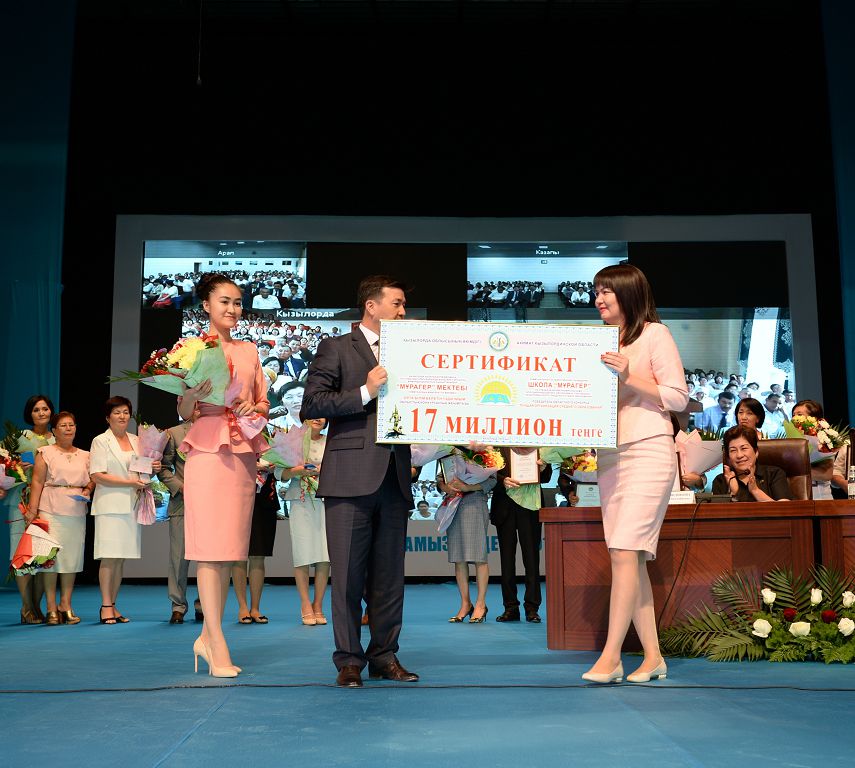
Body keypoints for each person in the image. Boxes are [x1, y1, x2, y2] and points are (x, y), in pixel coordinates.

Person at [301, 274, 416, 688]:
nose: (403, 312)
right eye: (397, 304)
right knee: (348, 577)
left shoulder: (411, 352)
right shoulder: (336, 347)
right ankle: (349, 660)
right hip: (349, 478)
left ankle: (384, 656)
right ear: (372, 305)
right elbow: (311, 403)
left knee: (389, 579)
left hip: (395, 476)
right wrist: (365, 391)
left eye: (403, 305)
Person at [582, 264, 688, 685]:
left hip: (649, 449)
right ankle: (653, 657)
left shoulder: (655, 335)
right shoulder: (602, 341)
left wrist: (630, 375)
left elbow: (678, 397)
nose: (598, 299)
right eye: (596, 292)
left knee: (626, 550)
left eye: (605, 291)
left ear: (627, 293)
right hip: (611, 456)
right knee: (628, 555)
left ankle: (611, 657)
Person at [178, 272, 270, 677]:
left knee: (230, 549)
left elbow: (264, 402)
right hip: (207, 450)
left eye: (237, 302)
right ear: (206, 305)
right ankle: (215, 639)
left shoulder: (249, 351)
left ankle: (208, 637)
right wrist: (192, 396)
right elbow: (183, 411)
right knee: (208, 548)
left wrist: (254, 408)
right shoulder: (191, 349)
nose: (233, 309)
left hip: (242, 454)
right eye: (224, 301)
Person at [90, 396, 160, 624]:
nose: (122, 416)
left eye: (125, 412)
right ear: (107, 417)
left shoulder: (136, 440)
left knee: (120, 559)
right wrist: (130, 483)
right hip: (109, 506)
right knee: (109, 557)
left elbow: (141, 470)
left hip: (131, 505)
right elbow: (97, 475)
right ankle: (105, 605)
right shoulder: (101, 441)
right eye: (117, 412)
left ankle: (113, 604)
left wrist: (153, 467)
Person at [25, 411, 93, 625]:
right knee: (50, 559)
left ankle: (66, 605)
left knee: (72, 559)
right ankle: (51, 607)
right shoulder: (45, 452)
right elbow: (37, 482)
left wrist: (88, 488)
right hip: (50, 509)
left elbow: (93, 479)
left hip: (76, 510)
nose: (68, 428)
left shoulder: (86, 455)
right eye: (63, 425)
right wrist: (32, 510)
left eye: (71, 424)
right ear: (54, 430)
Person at [4, 394, 55, 624]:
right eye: (36, 410)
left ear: (51, 411)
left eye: (45, 409)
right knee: (21, 554)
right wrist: (16, 469)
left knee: (42, 555)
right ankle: (26, 607)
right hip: (21, 503)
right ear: (30, 414)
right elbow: (4, 467)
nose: (41, 413)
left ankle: (36, 606)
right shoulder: (19, 437)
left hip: (48, 503)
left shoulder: (58, 439)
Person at [277, 418, 330, 626]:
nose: (318, 419)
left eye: (322, 415)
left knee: (325, 555)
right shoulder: (293, 441)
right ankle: (305, 603)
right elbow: (279, 473)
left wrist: (322, 470)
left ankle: (318, 604)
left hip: (327, 501)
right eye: (313, 414)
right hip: (300, 500)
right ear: (304, 418)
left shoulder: (332, 441)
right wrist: (297, 471)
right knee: (302, 554)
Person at [490, 448, 552, 623]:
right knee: (506, 560)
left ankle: (532, 608)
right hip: (504, 506)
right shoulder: (497, 443)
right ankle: (510, 607)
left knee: (532, 559)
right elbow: (488, 474)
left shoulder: (537, 445)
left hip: (530, 506)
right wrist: (502, 480)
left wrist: (543, 468)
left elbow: (546, 477)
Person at [437, 463, 497, 624]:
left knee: (479, 556)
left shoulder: (485, 453)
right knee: (459, 557)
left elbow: (492, 480)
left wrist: (468, 487)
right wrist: (445, 487)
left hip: (475, 502)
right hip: (453, 503)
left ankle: (480, 604)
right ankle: (465, 604)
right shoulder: (449, 452)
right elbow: (440, 478)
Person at [159, 413, 202, 624]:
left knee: (208, 559)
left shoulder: (220, 431)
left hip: (210, 506)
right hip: (182, 502)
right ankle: (178, 606)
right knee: (178, 559)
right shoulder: (174, 433)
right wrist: (180, 487)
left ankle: (204, 604)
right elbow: (164, 467)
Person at [231, 464, 281, 624]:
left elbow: (283, 463)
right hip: (238, 495)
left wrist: (274, 465)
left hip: (265, 498)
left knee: (258, 555)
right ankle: (243, 607)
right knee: (239, 555)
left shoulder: (273, 445)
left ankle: (255, 608)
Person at [712, 425, 791, 501]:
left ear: (756, 452)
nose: (739, 455)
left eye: (744, 448)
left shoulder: (774, 474)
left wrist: (755, 491)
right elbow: (718, 510)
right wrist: (734, 493)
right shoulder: (721, 481)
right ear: (728, 457)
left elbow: (784, 508)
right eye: (733, 450)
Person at [790, 399, 848, 500]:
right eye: (793, 415)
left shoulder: (825, 440)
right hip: (796, 496)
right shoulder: (790, 441)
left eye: (799, 414)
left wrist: (793, 471)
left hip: (820, 495)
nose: (795, 418)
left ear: (814, 419)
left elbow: (826, 475)